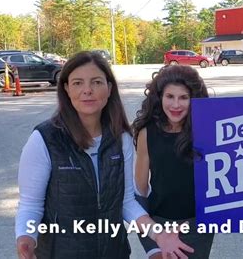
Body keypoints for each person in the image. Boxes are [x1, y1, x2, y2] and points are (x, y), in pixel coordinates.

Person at [15, 51, 193, 259]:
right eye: (78, 83)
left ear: (109, 89)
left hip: (114, 252)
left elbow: (126, 201)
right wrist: (26, 237)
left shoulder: (121, 138)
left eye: (97, 82)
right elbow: (30, 203)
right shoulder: (44, 139)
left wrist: (158, 234)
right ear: (66, 89)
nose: (87, 90)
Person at [132, 65, 243, 259]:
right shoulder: (147, 133)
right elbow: (139, 190)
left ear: (194, 99)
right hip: (158, 223)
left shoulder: (209, 128)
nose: (176, 104)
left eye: (184, 97)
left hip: (198, 224)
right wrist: (149, 230)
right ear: (160, 97)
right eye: (170, 96)